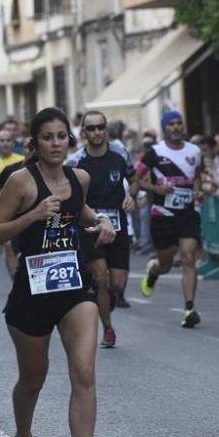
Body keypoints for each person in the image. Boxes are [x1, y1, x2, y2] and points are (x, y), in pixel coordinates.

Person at [0, 106, 114, 437]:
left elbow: (79, 212)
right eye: (48, 137)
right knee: (33, 379)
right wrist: (32, 216)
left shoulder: (80, 177)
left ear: (69, 140)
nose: (56, 143)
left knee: (85, 372)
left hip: (74, 287)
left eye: (62, 136)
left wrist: (101, 222)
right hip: (32, 292)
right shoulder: (20, 182)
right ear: (35, 143)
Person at [66, 110, 138, 348]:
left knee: (117, 284)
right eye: (91, 128)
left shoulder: (120, 154)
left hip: (118, 224)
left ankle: (109, 298)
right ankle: (108, 329)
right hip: (90, 227)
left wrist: (131, 196)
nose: (96, 132)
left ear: (106, 129)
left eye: (100, 127)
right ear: (84, 132)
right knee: (100, 278)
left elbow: (134, 179)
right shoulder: (75, 161)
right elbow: (69, 193)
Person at [137, 110, 204, 328]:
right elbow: (135, 179)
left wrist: (199, 191)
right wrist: (157, 188)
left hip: (187, 214)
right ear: (165, 128)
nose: (176, 127)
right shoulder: (155, 152)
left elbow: (197, 178)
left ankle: (189, 308)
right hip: (162, 215)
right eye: (171, 124)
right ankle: (154, 270)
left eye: (179, 123)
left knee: (188, 258)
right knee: (166, 263)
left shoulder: (195, 151)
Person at [0, 127, 26, 281]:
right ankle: (16, 281)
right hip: (5, 213)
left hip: (23, 210)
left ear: (14, 143)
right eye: (2, 140)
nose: (6, 143)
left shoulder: (21, 160)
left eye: (9, 140)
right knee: (9, 246)